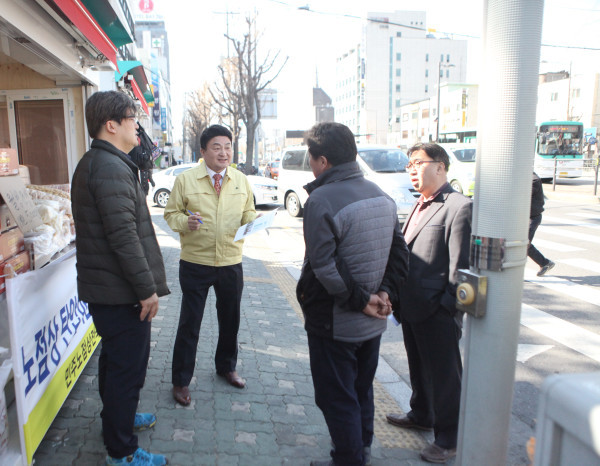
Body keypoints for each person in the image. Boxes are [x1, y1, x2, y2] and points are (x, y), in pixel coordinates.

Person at [296, 122, 410, 466]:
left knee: (336, 397)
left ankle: (348, 458)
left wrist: (363, 301)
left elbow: (325, 266)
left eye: (311, 158)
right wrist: (384, 293)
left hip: (336, 323)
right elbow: (399, 253)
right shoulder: (380, 194)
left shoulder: (321, 200)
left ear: (323, 161)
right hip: (373, 321)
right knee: (361, 389)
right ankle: (361, 450)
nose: (310, 164)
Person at [71, 91, 170, 466]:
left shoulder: (103, 162)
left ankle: (118, 421)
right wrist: (146, 290)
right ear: (111, 125)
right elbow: (124, 238)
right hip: (120, 293)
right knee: (126, 371)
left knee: (115, 364)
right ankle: (122, 450)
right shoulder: (109, 167)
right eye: (132, 119)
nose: (137, 127)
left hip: (110, 290)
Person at [385, 143, 472, 464]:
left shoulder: (459, 206)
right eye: (409, 165)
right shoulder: (419, 204)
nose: (412, 170)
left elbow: (462, 266)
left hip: (438, 310)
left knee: (445, 377)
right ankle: (422, 413)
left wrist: (447, 307)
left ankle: (449, 438)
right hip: (412, 306)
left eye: (418, 163)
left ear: (440, 166)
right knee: (419, 366)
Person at [164, 124, 257, 406]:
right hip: (196, 262)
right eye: (217, 147)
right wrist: (185, 222)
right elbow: (171, 214)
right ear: (203, 151)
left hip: (230, 262)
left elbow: (249, 211)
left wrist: (253, 221)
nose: (223, 153)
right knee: (190, 323)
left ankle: (227, 367)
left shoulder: (241, 180)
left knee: (230, 320)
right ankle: (181, 381)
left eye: (227, 147)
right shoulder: (186, 180)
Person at [529, 172, 555, 276]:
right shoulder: (525, 177)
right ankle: (545, 263)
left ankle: (545, 263)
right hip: (524, 216)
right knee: (521, 243)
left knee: (524, 243)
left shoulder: (534, 180)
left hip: (532, 217)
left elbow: (522, 195)